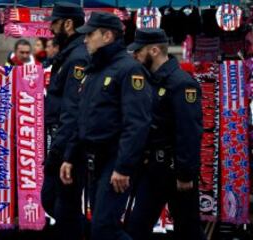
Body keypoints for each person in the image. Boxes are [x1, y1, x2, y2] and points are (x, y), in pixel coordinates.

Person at [60, 12, 152, 240]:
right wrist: (69, 156)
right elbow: (81, 117)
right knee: (97, 227)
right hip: (93, 159)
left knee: (104, 228)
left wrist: (123, 166)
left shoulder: (129, 70)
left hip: (115, 160)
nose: (85, 40)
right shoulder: (94, 70)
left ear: (107, 35)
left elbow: (137, 123)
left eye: (90, 34)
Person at [126, 28, 206, 240]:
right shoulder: (150, 80)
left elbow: (189, 131)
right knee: (136, 227)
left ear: (153, 50)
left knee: (187, 230)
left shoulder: (182, 83)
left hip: (176, 170)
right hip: (153, 169)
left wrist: (185, 173)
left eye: (138, 51)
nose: (135, 56)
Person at [41, 2, 90, 240]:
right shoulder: (69, 54)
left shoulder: (77, 57)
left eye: (55, 22)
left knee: (63, 206)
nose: (51, 28)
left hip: (68, 144)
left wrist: (63, 153)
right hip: (61, 139)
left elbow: (72, 110)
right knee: (55, 203)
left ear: (68, 23)